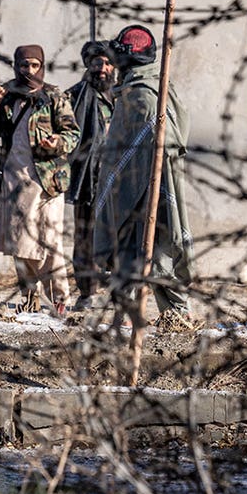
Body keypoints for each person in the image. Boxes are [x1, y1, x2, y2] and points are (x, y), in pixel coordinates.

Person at [93, 24, 195, 328]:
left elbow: (169, 142)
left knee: (159, 253)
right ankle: (124, 317)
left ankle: (177, 318)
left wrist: (153, 179)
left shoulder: (147, 94)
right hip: (129, 188)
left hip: (154, 190)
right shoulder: (132, 90)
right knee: (126, 252)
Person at [0, 45, 80, 316]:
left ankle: (59, 299)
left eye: (33, 65)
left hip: (46, 181)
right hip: (14, 178)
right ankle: (29, 296)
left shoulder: (54, 97)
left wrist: (57, 142)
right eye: (23, 65)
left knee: (49, 242)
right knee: (20, 242)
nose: (28, 70)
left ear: (41, 66)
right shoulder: (8, 96)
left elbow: (72, 134)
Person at [65, 40, 117, 310]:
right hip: (88, 177)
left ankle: (120, 294)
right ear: (88, 64)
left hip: (119, 181)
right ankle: (87, 293)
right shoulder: (74, 97)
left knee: (120, 235)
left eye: (107, 63)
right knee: (85, 236)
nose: (102, 68)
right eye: (97, 63)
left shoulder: (123, 96)